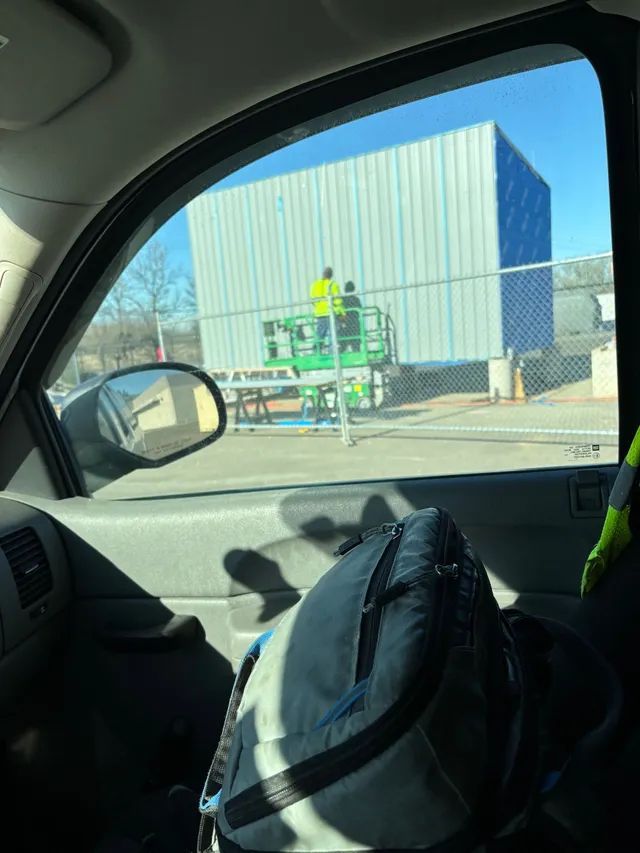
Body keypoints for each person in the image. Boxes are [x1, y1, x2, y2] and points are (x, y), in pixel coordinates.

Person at [309, 266, 344, 351]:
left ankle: (316, 350)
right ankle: (333, 351)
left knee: (320, 333)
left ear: (323, 274)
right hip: (331, 312)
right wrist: (342, 313)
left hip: (320, 313)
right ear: (331, 275)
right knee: (333, 333)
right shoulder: (333, 284)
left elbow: (312, 299)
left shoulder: (315, 285)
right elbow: (337, 301)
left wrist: (319, 306)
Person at [341, 281, 362, 352]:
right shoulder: (356, 299)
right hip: (355, 324)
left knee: (342, 345)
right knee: (356, 345)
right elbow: (359, 310)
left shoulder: (342, 300)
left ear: (345, 289)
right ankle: (357, 353)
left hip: (345, 324)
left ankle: (340, 353)